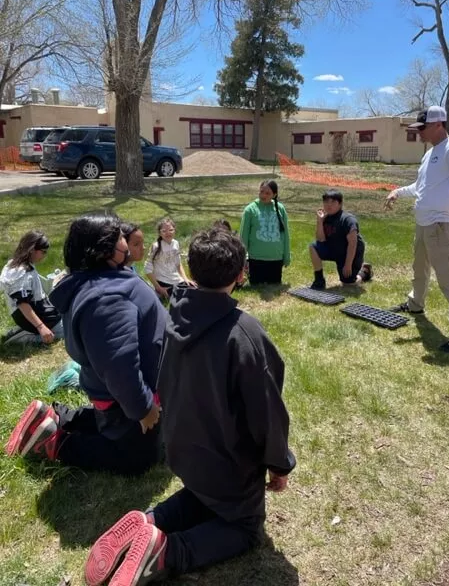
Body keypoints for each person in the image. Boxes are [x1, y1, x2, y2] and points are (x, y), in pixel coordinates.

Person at [84, 228, 295, 586]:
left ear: (191, 272)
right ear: (241, 273)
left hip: (184, 453)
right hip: (227, 463)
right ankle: (166, 552)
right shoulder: (245, 335)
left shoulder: (175, 314)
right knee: (245, 527)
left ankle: (150, 522)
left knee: (203, 497)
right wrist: (279, 464)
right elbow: (267, 414)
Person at [5, 213, 167, 475]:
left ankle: (59, 417)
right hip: (126, 399)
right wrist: (144, 408)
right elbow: (121, 367)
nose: (126, 243)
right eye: (119, 240)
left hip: (121, 398)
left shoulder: (104, 277)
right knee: (138, 458)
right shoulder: (107, 300)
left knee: (128, 427)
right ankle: (56, 443)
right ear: (104, 252)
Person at [385, 105, 449, 353]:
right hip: (424, 223)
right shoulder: (430, 154)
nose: (419, 133)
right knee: (419, 269)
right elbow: (421, 186)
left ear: (439, 124)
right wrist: (398, 192)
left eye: (422, 128)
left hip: (439, 224)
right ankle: (415, 303)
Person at [0, 230, 63, 345]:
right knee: (66, 332)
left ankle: (22, 330)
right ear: (32, 250)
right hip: (36, 315)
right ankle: (26, 337)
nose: (45, 255)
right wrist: (41, 327)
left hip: (40, 310)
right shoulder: (20, 271)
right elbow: (22, 303)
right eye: (43, 252)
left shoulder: (19, 264)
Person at [310, 189, 372, 290]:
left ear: (340, 204)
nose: (328, 205)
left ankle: (364, 271)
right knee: (313, 247)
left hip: (350, 251)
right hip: (335, 248)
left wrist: (348, 264)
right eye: (326, 202)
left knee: (348, 284)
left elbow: (353, 244)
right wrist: (320, 221)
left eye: (333, 202)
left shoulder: (348, 219)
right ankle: (319, 280)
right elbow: (320, 240)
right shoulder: (325, 218)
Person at [239, 180, 290, 285]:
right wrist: (242, 260)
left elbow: (285, 235)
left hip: (276, 259)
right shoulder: (250, 210)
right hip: (256, 260)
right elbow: (243, 236)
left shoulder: (281, 209)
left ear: (274, 195)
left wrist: (286, 256)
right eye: (261, 191)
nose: (263, 195)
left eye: (267, 193)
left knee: (274, 286)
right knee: (257, 286)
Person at [144, 217, 194, 300]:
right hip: (163, 281)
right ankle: (158, 293)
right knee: (180, 297)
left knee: (193, 289)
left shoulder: (176, 243)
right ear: (160, 233)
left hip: (176, 279)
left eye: (171, 230)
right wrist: (158, 287)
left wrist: (186, 279)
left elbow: (178, 264)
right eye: (164, 231)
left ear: (175, 230)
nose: (168, 233)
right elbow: (147, 269)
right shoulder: (156, 246)